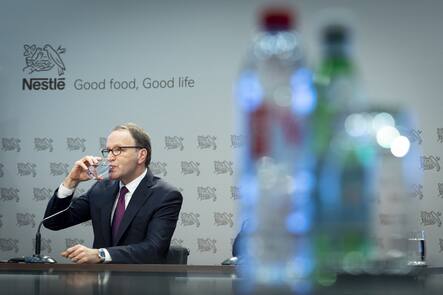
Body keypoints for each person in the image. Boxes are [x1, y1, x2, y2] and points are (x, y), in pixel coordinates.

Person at [43, 123, 183, 264]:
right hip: (100, 282)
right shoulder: (101, 189)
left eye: (118, 150)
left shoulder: (165, 195)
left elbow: (154, 250)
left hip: (141, 282)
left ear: (141, 155)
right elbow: (53, 222)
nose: (110, 157)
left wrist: (101, 254)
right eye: (108, 151)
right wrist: (71, 181)